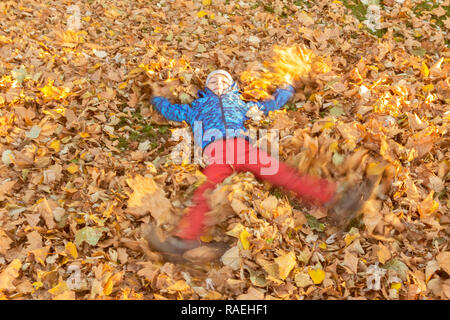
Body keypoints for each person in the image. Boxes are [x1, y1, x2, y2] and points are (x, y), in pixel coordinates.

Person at [145, 70, 341, 258]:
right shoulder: (198, 106)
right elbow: (173, 112)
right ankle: (186, 240)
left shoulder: (239, 103)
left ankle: (330, 195)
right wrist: (157, 98)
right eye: (213, 81)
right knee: (205, 191)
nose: (219, 84)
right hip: (216, 151)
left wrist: (285, 89)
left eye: (224, 81)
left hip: (242, 148)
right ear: (205, 88)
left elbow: (268, 106)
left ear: (232, 87)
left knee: (281, 173)